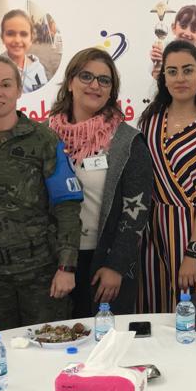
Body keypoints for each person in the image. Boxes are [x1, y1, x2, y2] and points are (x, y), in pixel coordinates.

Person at [0, 56, 82, 335]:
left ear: (18, 90)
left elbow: (67, 205)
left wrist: (67, 267)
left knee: (47, 348)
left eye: (5, 85)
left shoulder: (43, 139)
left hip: (40, 274)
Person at [47, 48, 152, 318]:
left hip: (106, 263)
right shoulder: (46, 138)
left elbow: (137, 210)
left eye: (104, 80)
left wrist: (116, 265)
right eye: (86, 76)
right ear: (70, 83)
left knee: (106, 339)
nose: (95, 85)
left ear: (111, 91)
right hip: (55, 262)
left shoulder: (127, 141)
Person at [137, 40, 196, 312]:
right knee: (152, 309)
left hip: (192, 230)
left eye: (188, 70)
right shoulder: (149, 120)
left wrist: (194, 252)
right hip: (151, 233)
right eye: (172, 71)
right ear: (163, 78)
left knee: (190, 312)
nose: (180, 78)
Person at [0, 9, 49, 93]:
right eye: (10, 34)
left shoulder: (38, 69)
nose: (17, 40)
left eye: (24, 34)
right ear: (2, 37)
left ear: (31, 38)